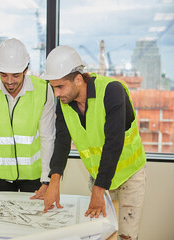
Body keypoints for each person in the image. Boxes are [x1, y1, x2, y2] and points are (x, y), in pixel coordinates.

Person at [41, 45, 146, 240]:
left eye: (60, 86)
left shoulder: (112, 91)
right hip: (99, 177)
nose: (56, 94)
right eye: (53, 87)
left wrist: (99, 189)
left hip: (128, 176)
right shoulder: (64, 102)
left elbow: (114, 142)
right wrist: (53, 182)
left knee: (126, 235)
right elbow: (62, 141)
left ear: (78, 79)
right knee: (100, 234)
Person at [0, 38, 55, 197]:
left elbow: (47, 138)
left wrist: (46, 179)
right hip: (0, 175)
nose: (9, 82)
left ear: (26, 70)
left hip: (34, 176)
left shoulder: (43, 91)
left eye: (16, 75)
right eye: (4, 75)